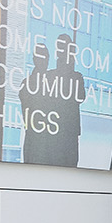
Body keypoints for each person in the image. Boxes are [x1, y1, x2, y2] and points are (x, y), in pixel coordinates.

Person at [18, 31, 86, 167]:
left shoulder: (75, 78)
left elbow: (79, 97)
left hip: (64, 140)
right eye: (61, 49)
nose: (63, 54)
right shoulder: (37, 80)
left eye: (66, 50)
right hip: (41, 140)